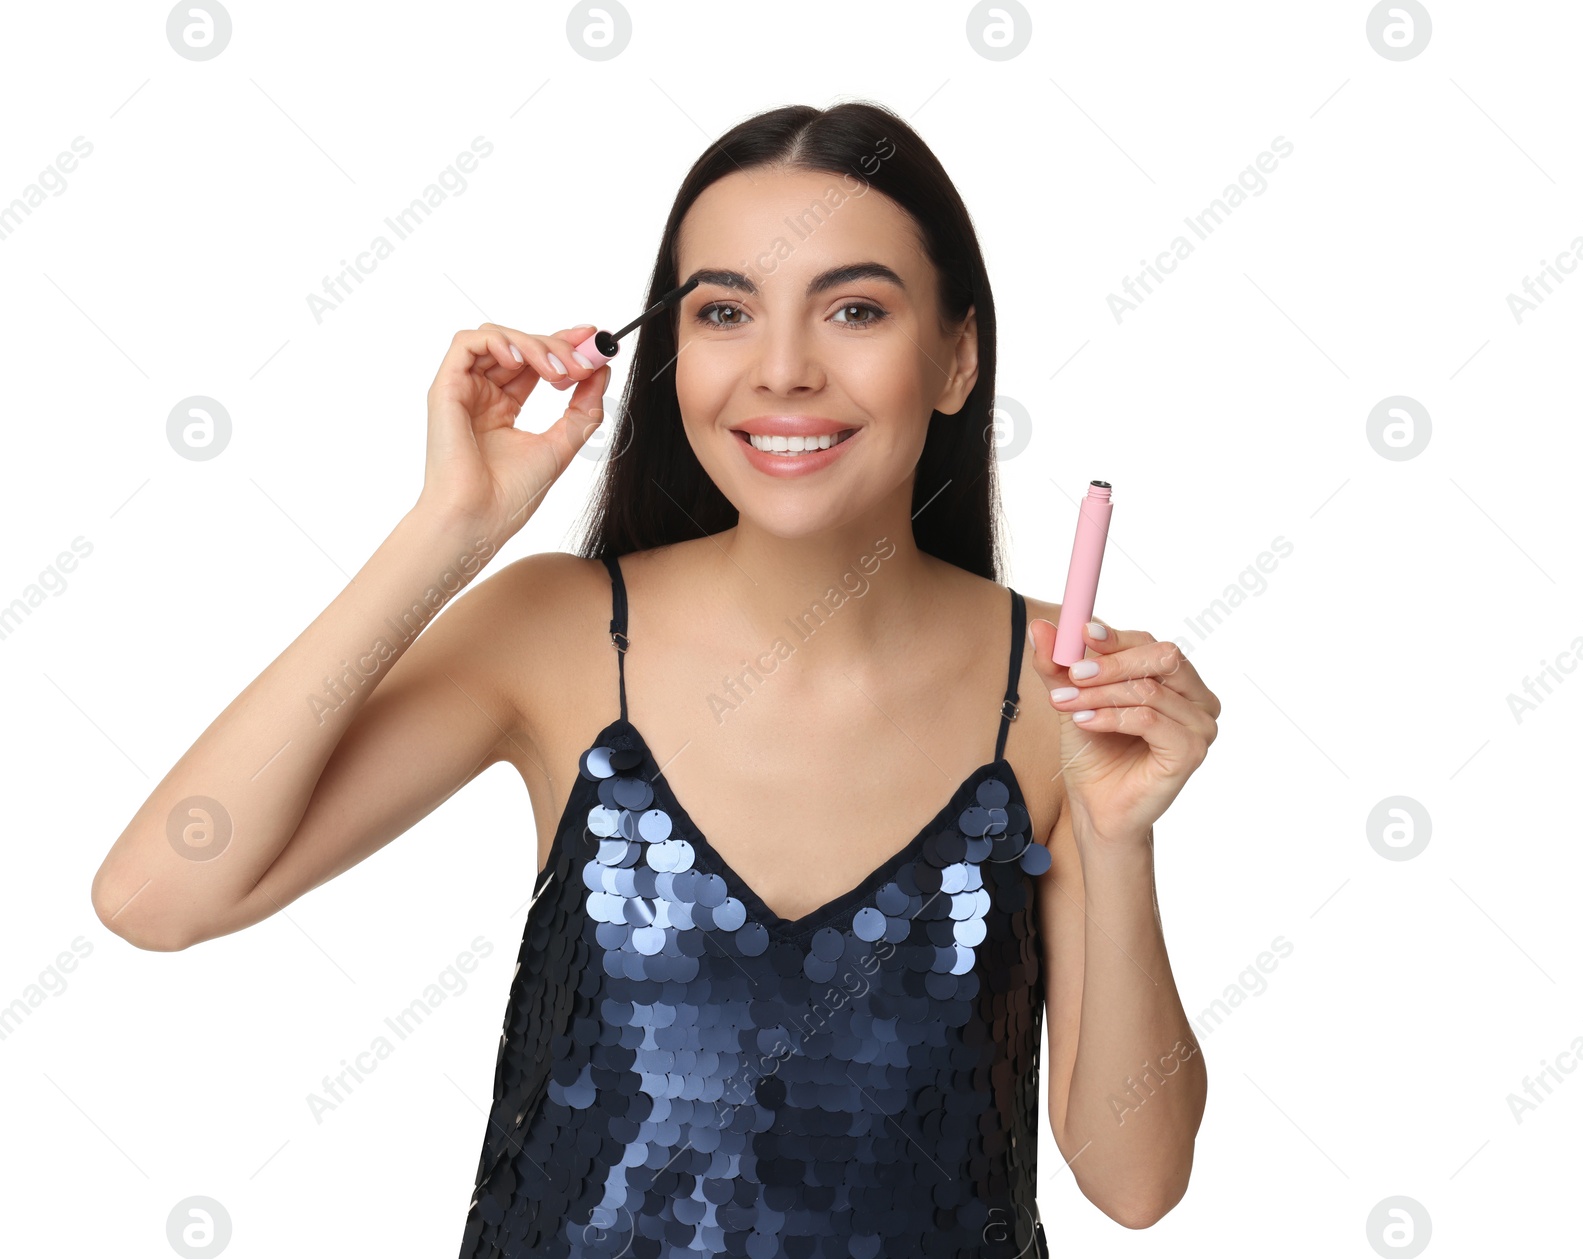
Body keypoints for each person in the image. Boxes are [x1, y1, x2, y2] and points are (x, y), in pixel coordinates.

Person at [92, 100, 1219, 1256]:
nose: (783, 369)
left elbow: (1134, 1184)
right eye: (726, 310)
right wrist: (449, 526)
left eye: (855, 309)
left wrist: (1116, 834)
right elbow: (157, 895)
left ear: (955, 357)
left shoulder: (1059, 687)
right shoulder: (560, 631)